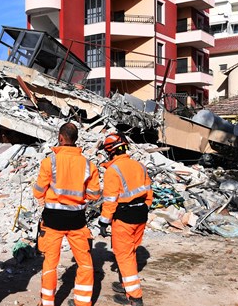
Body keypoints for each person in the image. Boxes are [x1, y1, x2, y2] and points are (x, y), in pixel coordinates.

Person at [33, 122, 101, 306]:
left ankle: (47, 302)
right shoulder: (88, 165)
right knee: (85, 262)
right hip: (76, 220)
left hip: (53, 220)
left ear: (60, 138)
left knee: (50, 263)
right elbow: (95, 194)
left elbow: (38, 191)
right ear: (76, 139)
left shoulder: (50, 162)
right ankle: (83, 302)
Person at [98, 133, 153, 306]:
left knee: (125, 257)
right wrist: (144, 208)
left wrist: (104, 221)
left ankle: (135, 297)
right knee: (131, 252)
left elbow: (110, 201)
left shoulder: (113, 171)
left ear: (110, 152)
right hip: (141, 215)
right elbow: (149, 193)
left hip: (124, 218)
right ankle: (126, 285)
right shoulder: (140, 166)